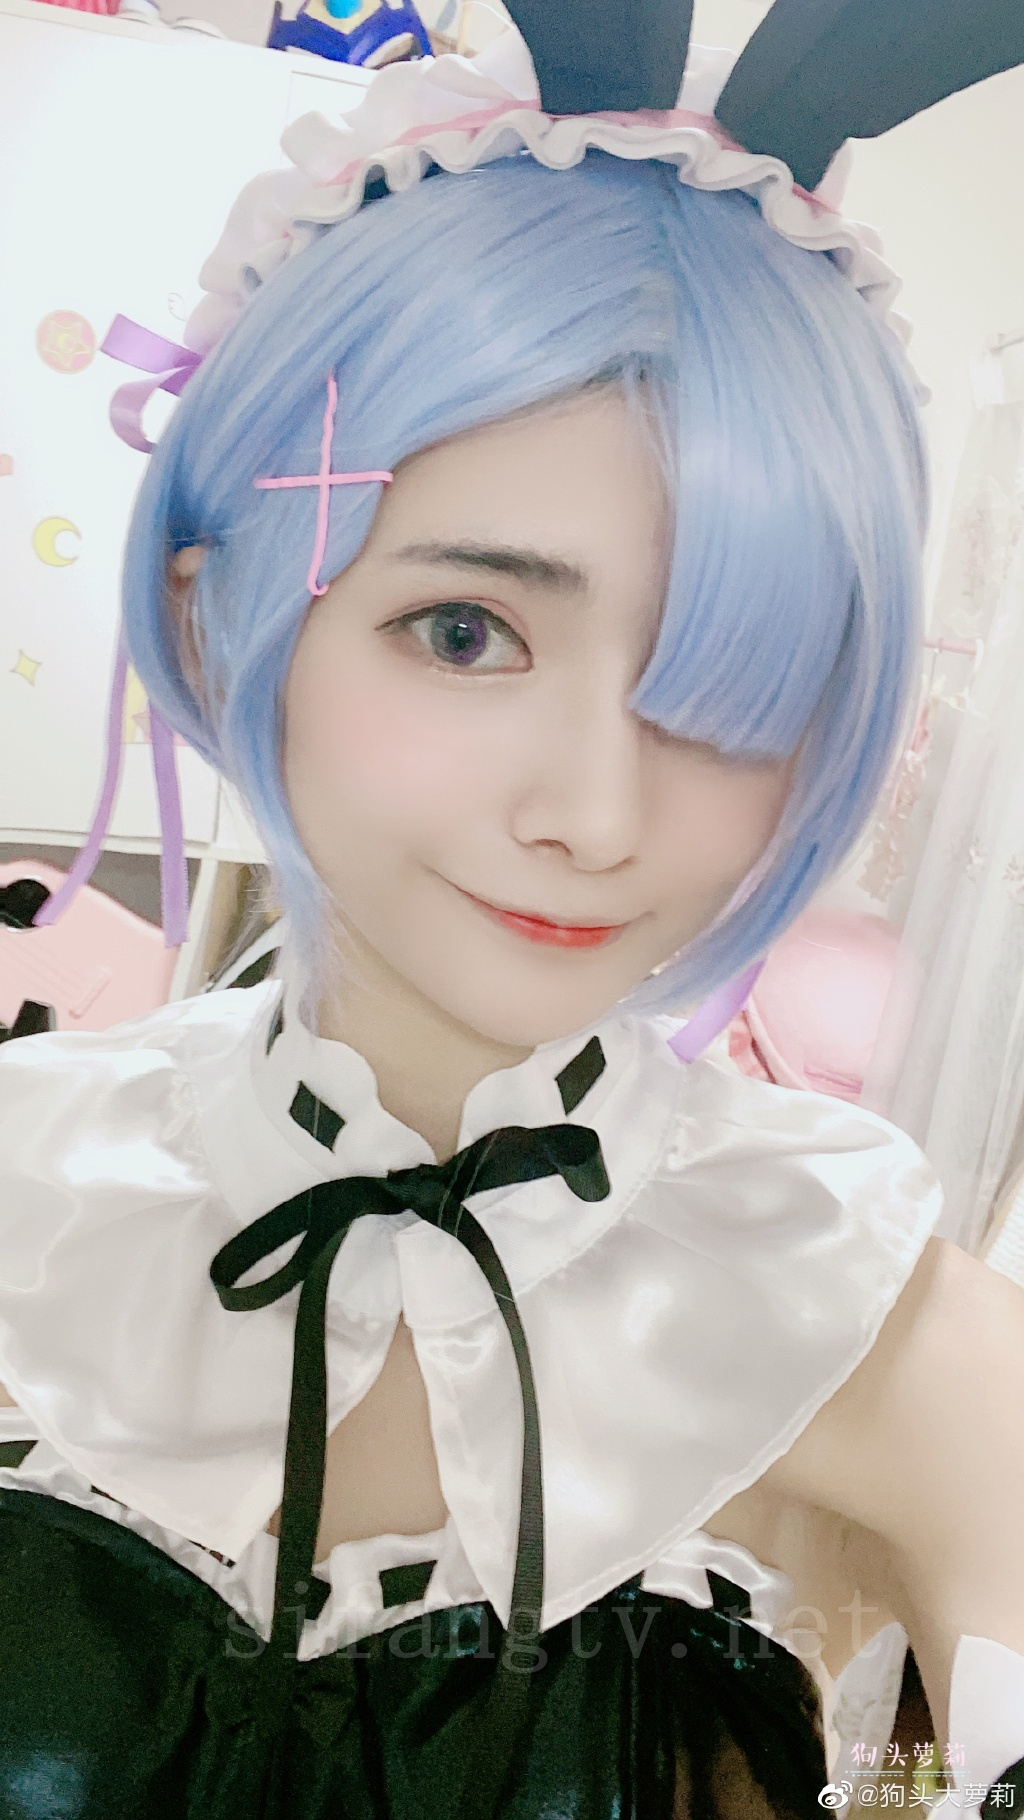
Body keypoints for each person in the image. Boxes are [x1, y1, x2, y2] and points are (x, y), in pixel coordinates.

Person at [2, 3, 1024, 1815]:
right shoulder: (28, 1198)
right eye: (465, 632)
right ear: (215, 615)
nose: (597, 817)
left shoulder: (889, 1340)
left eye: (733, 682)